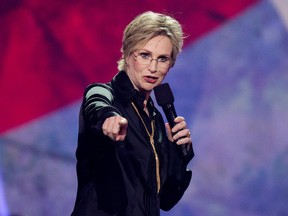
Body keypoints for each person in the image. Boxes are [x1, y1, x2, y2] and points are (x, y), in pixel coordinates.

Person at [71, 11, 194, 216]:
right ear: (128, 54)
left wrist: (179, 155)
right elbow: (96, 102)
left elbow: (166, 200)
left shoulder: (155, 119)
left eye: (162, 59)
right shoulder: (104, 94)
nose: (153, 68)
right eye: (145, 55)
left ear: (171, 64)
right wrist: (108, 118)